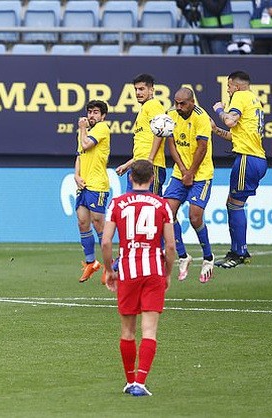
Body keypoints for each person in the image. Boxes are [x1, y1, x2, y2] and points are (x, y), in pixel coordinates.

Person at [101, 159, 176, 397]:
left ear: (130, 178)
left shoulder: (117, 203)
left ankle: (129, 380)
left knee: (127, 331)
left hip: (128, 270)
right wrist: (168, 272)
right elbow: (171, 246)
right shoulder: (162, 205)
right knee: (150, 331)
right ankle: (141, 382)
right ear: (153, 179)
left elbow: (105, 241)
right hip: (153, 269)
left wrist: (109, 270)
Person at [212, 70, 267, 268]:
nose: (227, 91)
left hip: (247, 159)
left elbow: (229, 120)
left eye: (228, 87)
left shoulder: (241, 96)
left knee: (235, 205)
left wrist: (219, 110)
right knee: (232, 203)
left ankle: (239, 252)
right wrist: (215, 130)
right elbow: (236, 134)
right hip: (255, 158)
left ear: (236, 86)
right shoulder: (254, 100)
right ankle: (237, 250)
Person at [164, 88, 215, 282]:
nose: (178, 107)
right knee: (168, 214)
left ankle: (208, 258)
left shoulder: (201, 117)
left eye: (182, 103)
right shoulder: (171, 115)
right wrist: (183, 171)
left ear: (192, 102)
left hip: (201, 174)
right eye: (176, 102)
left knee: (195, 217)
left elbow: (202, 148)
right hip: (180, 172)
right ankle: (184, 256)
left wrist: (191, 172)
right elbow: (172, 145)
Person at [75, 100, 111, 284]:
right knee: (82, 222)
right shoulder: (84, 132)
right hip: (84, 185)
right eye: (90, 112)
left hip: (98, 185)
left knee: (99, 225)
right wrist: (76, 175)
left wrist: (82, 129)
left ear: (103, 116)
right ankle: (91, 262)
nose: (91, 115)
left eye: (96, 112)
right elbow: (80, 155)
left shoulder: (102, 128)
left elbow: (86, 144)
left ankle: (109, 266)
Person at [116, 74, 167, 196]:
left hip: (150, 166)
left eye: (142, 89)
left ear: (151, 90)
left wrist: (150, 160)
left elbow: (160, 132)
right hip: (138, 165)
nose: (138, 92)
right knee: (135, 206)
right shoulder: (144, 109)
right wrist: (128, 165)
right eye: (136, 89)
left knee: (151, 206)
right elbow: (144, 146)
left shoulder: (153, 105)